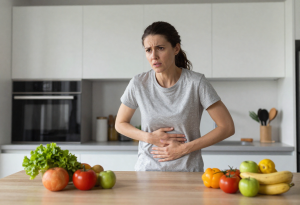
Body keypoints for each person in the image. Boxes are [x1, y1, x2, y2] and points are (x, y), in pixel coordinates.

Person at [115, 21, 235, 172]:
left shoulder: (196, 83)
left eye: (160, 48)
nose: (154, 56)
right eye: (148, 50)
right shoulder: (139, 83)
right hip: (147, 172)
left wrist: (184, 149)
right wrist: (149, 138)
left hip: (188, 172)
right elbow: (120, 124)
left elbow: (227, 127)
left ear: (176, 48)